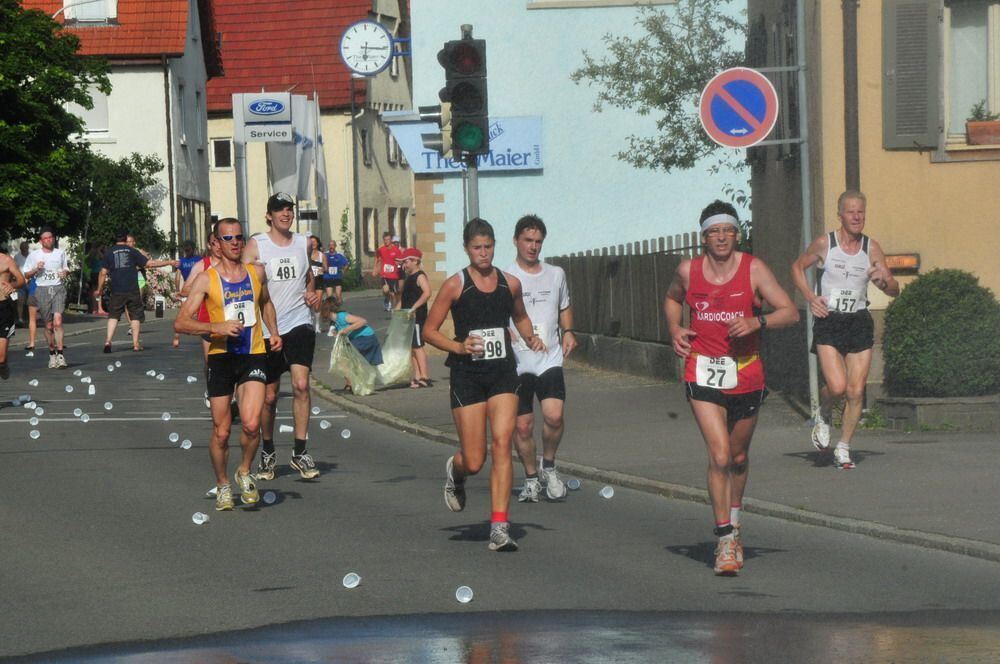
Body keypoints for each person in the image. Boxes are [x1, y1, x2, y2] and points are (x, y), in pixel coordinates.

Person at [664, 201, 799, 576]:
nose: (721, 237)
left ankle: (735, 521)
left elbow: (790, 311)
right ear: (703, 237)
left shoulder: (753, 268)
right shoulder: (687, 272)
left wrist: (758, 322)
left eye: (728, 230)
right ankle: (724, 541)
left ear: (736, 234)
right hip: (702, 371)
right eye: (714, 231)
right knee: (720, 456)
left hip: (746, 374)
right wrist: (675, 330)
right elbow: (672, 299)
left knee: (738, 458)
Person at [423, 218, 544, 553]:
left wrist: (531, 336)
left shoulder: (510, 284)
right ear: (466, 249)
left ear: (495, 246)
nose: (483, 253)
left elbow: (519, 315)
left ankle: (500, 527)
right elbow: (429, 331)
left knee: (503, 443)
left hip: (503, 372)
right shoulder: (455, 285)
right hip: (468, 374)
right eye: (477, 247)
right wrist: (459, 346)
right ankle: (456, 471)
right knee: (475, 459)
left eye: (488, 246)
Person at [174, 218, 281, 511]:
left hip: (253, 354)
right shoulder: (207, 279)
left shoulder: (256, 272)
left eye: (239, 237)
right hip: (221, 357)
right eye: (228, 238)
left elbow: (266, 303)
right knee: (221, 432)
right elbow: (181, 322)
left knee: (250, 423)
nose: (234, 242)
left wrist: (274, 331)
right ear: (217, 244)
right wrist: (216, 327)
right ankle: (223, 483)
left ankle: (244, 471)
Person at [791, 190, 899, 470]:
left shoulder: (871, 247)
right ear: (840, 214)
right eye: (850, 211)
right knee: (837, 387)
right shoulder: (826, 244)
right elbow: (797, 267)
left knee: (855, 390)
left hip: (858, 320)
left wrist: (884, 280)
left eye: (860, 211)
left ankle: (844, 446)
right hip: (829, 319)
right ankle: (824, 412)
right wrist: (811, 298)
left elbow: (893, 289)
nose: (856, 217)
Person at [243, 192, 322, 481]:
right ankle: (267, 451)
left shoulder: (304, 243)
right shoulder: (257, 245)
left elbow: (309, 277)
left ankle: (300, 451)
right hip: (266, 328)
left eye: (289, 209)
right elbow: (242, 283)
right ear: (269, 216)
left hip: (299, 322)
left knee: (301, 385)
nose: (285, 214)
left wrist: (313, 294)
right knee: (270, 397)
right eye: (279, 210)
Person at [506, 215, 577, 503]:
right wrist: (503, 331)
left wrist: (569, 331)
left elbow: (565, 306)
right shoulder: (505, 276)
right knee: (522, 426)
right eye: (528, 240)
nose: (533, 246)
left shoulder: (556, 274)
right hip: (518, 361)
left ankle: (549, 465)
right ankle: (532, 477)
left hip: (549, 356)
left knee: (554, 416)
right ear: (516, 241)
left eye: (538, 241)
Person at [97, 231, 177, 353]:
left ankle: (108, 341)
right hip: (132, 288)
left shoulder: (109, 253)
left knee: (113, 316)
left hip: (117, 289)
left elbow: (103, 273)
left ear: (115, 240)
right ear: (125, 239)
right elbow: (150, 264)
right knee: (135, 316)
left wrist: (99, 289)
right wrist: (169, 262)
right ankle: (135, 344)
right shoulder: (132, 251)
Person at [22, 228, 70, 369]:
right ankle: (52, 354)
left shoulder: (60, 253)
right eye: (46, 238)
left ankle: (60, 354)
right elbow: (26, 274)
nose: (49, 240)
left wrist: (65, 274)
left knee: (58, 321)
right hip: (41, 290)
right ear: (41, 241)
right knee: (48, 325)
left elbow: (66, 269)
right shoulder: (34, 255)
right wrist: (36, 269)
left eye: (51, 237)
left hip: (58, 289)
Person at [398, 247, 432, 388]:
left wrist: (414, 307)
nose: (404, 265)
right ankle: (417, 376)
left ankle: (424, 376)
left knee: (417, 346)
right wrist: (397, 310)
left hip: (417, 317)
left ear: (415, 261)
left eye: (406, 262)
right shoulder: (409, 278)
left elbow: (427, 292)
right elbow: (404, 298)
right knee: (411, 347)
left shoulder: (419, 276)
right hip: (408, 317)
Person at [0, 250, 27, 379]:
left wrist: (12, 285)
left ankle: (3, 364)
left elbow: (21, 280)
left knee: (1, 356)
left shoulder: (6, 260)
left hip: (3, 308)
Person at [173, 241, 203, 347]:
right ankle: (204, 337)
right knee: (201, 314)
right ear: (194, 249)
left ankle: (177, 336)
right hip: (198, 288)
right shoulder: (199, 260)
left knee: (183, 313)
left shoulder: (181, 261)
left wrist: (177, 290)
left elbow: (177, 277)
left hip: (186, 287)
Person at [373, 232, 402, 312]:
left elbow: (400, 260)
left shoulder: (396, 250)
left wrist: (399, 263)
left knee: (393, 294)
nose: (386, 241)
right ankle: (386, 298)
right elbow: (377, 258)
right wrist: (375, 268)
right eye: (385, 240)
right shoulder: (381, 249)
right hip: (384, 274)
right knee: (385, 290)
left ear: (391, 240)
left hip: (393, 275)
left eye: (388, 239)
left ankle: (395, 309)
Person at [322, 239, 350, 307]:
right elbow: (320, 263)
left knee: (338, 295)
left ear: (335, 246)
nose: (331, 247)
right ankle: (331, 310)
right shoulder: (325, 255)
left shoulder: (339, 256)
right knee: (329, 297)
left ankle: (339, 308)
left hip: (337, 277)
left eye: (333, 245)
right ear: (328, 246)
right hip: (328, 277)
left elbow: (346, 264)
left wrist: (344, 270)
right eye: (330, 245)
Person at [13, 241, 31, 324]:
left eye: (26, 248)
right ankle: (20, 319)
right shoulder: (17, 257)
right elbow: (14, 269)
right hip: (21, 281)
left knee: (32, 301)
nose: (25, 250)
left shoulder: (32, 256)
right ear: (20, 249)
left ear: (28, 248)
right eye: (23, 249)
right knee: (20, 301)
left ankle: (33, 318)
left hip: (31, 281)